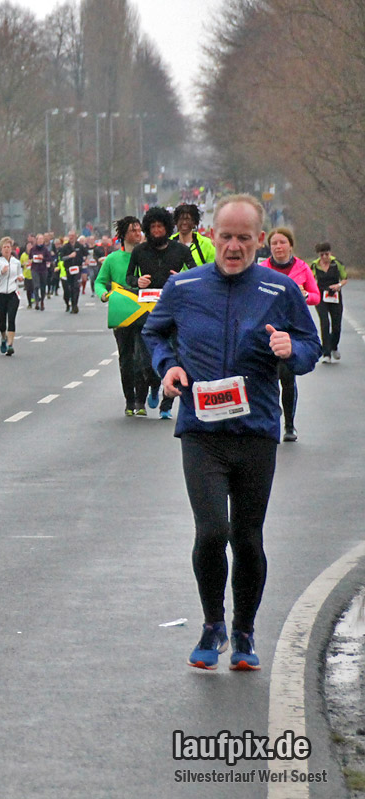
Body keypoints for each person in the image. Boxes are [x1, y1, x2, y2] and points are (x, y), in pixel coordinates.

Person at [142, 194, 321, 671]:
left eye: (245, 238)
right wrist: (169, 367)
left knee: (247, 538)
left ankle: (243, 631)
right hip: (201, 430)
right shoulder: (183, 286)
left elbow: (310, 344)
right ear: (212, 237)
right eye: (226, 237)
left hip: (256, 429)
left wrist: (291, 350)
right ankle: (211, 624)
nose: (235, 246)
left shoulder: (279, 292)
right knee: (211, 531)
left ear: (260, 240)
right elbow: (154, 332)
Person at [128, 207, 196, 420]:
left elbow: (195, 274)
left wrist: (182, 277)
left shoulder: (181, 250)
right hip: (147, 311)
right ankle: (153, 385)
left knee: (175, 356)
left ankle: (166, 405)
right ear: (148, 229)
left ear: (167, 228)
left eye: (160, 226)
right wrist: (137, 282)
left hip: (174, 312)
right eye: (153, 227)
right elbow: (129, 277)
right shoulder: (139, 251)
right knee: (144, 359)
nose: (157, 230)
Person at [261, 227, 320, 441]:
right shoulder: (262, 268)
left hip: (292, 329)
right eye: (274, 243)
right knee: (268, 378)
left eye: (282, 242)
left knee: (287, 377)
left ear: (290, 245)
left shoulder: (303, 268)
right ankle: (270, 423)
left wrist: (304, 295)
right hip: (266, 330)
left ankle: (289, 425)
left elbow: (316, 296)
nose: (278, 247)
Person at [94, 216, 145, 416]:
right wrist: (103, 294)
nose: (138, 233)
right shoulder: (113, 259)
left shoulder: (147, 256)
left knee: (142, 357)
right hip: (121, 314)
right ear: (124, 235)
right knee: (126, 358)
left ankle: (142, 399)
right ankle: (130, 401)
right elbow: (100, 282)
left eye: (139, 230)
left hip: (143, 312)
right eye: (133, 230)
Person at [312, 242, 348, 363]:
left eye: (326, 254)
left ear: (330, 253)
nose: (324, 258)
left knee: (336, 324)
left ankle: (334, 347)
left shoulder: (337, 263)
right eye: (321, 255)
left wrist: (338, 285)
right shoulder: (314, 265)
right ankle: (326, 353)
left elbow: (344, 278)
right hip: (321, 296)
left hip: (334, 295)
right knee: (325, 322)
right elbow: (311, 280)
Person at [0, 237, 22, 356]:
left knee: (11, 319)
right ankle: (3, 338)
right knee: (2, 322)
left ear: (11, 248)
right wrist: (1, 272)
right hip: (0, 294)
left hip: (13, 294)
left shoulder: (16, 262)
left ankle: (11, 345)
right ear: (1, 249)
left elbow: (20, 274)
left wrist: (20, 277)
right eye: (5, 247)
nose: (7, 249)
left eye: (9, 247)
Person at [57, 231, 86, 314]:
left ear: (75, 236)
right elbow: (62, 258)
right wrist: (70, 256)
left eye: (73, 236)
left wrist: (86, 259)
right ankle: (70, 303)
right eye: (70, 236)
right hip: (68, 269)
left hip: (77, 269)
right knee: (70, 288)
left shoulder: (79, 246)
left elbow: (86, 254)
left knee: (76, 286)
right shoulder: (65, 247)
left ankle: (75, 305)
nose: (71, 237)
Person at [27, 234, 53, 310]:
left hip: (43, 269)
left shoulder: (45, 249)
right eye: (39, 239)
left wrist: (43, 258)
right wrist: (30, 261)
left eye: (42, 239)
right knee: (36, 286)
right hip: (35, 269)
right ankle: (37, 301)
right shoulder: (33, 249)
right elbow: (30, 258)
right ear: (37, 240)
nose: (40, 240)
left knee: (43, 286)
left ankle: (42, 301)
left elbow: (49, 259)